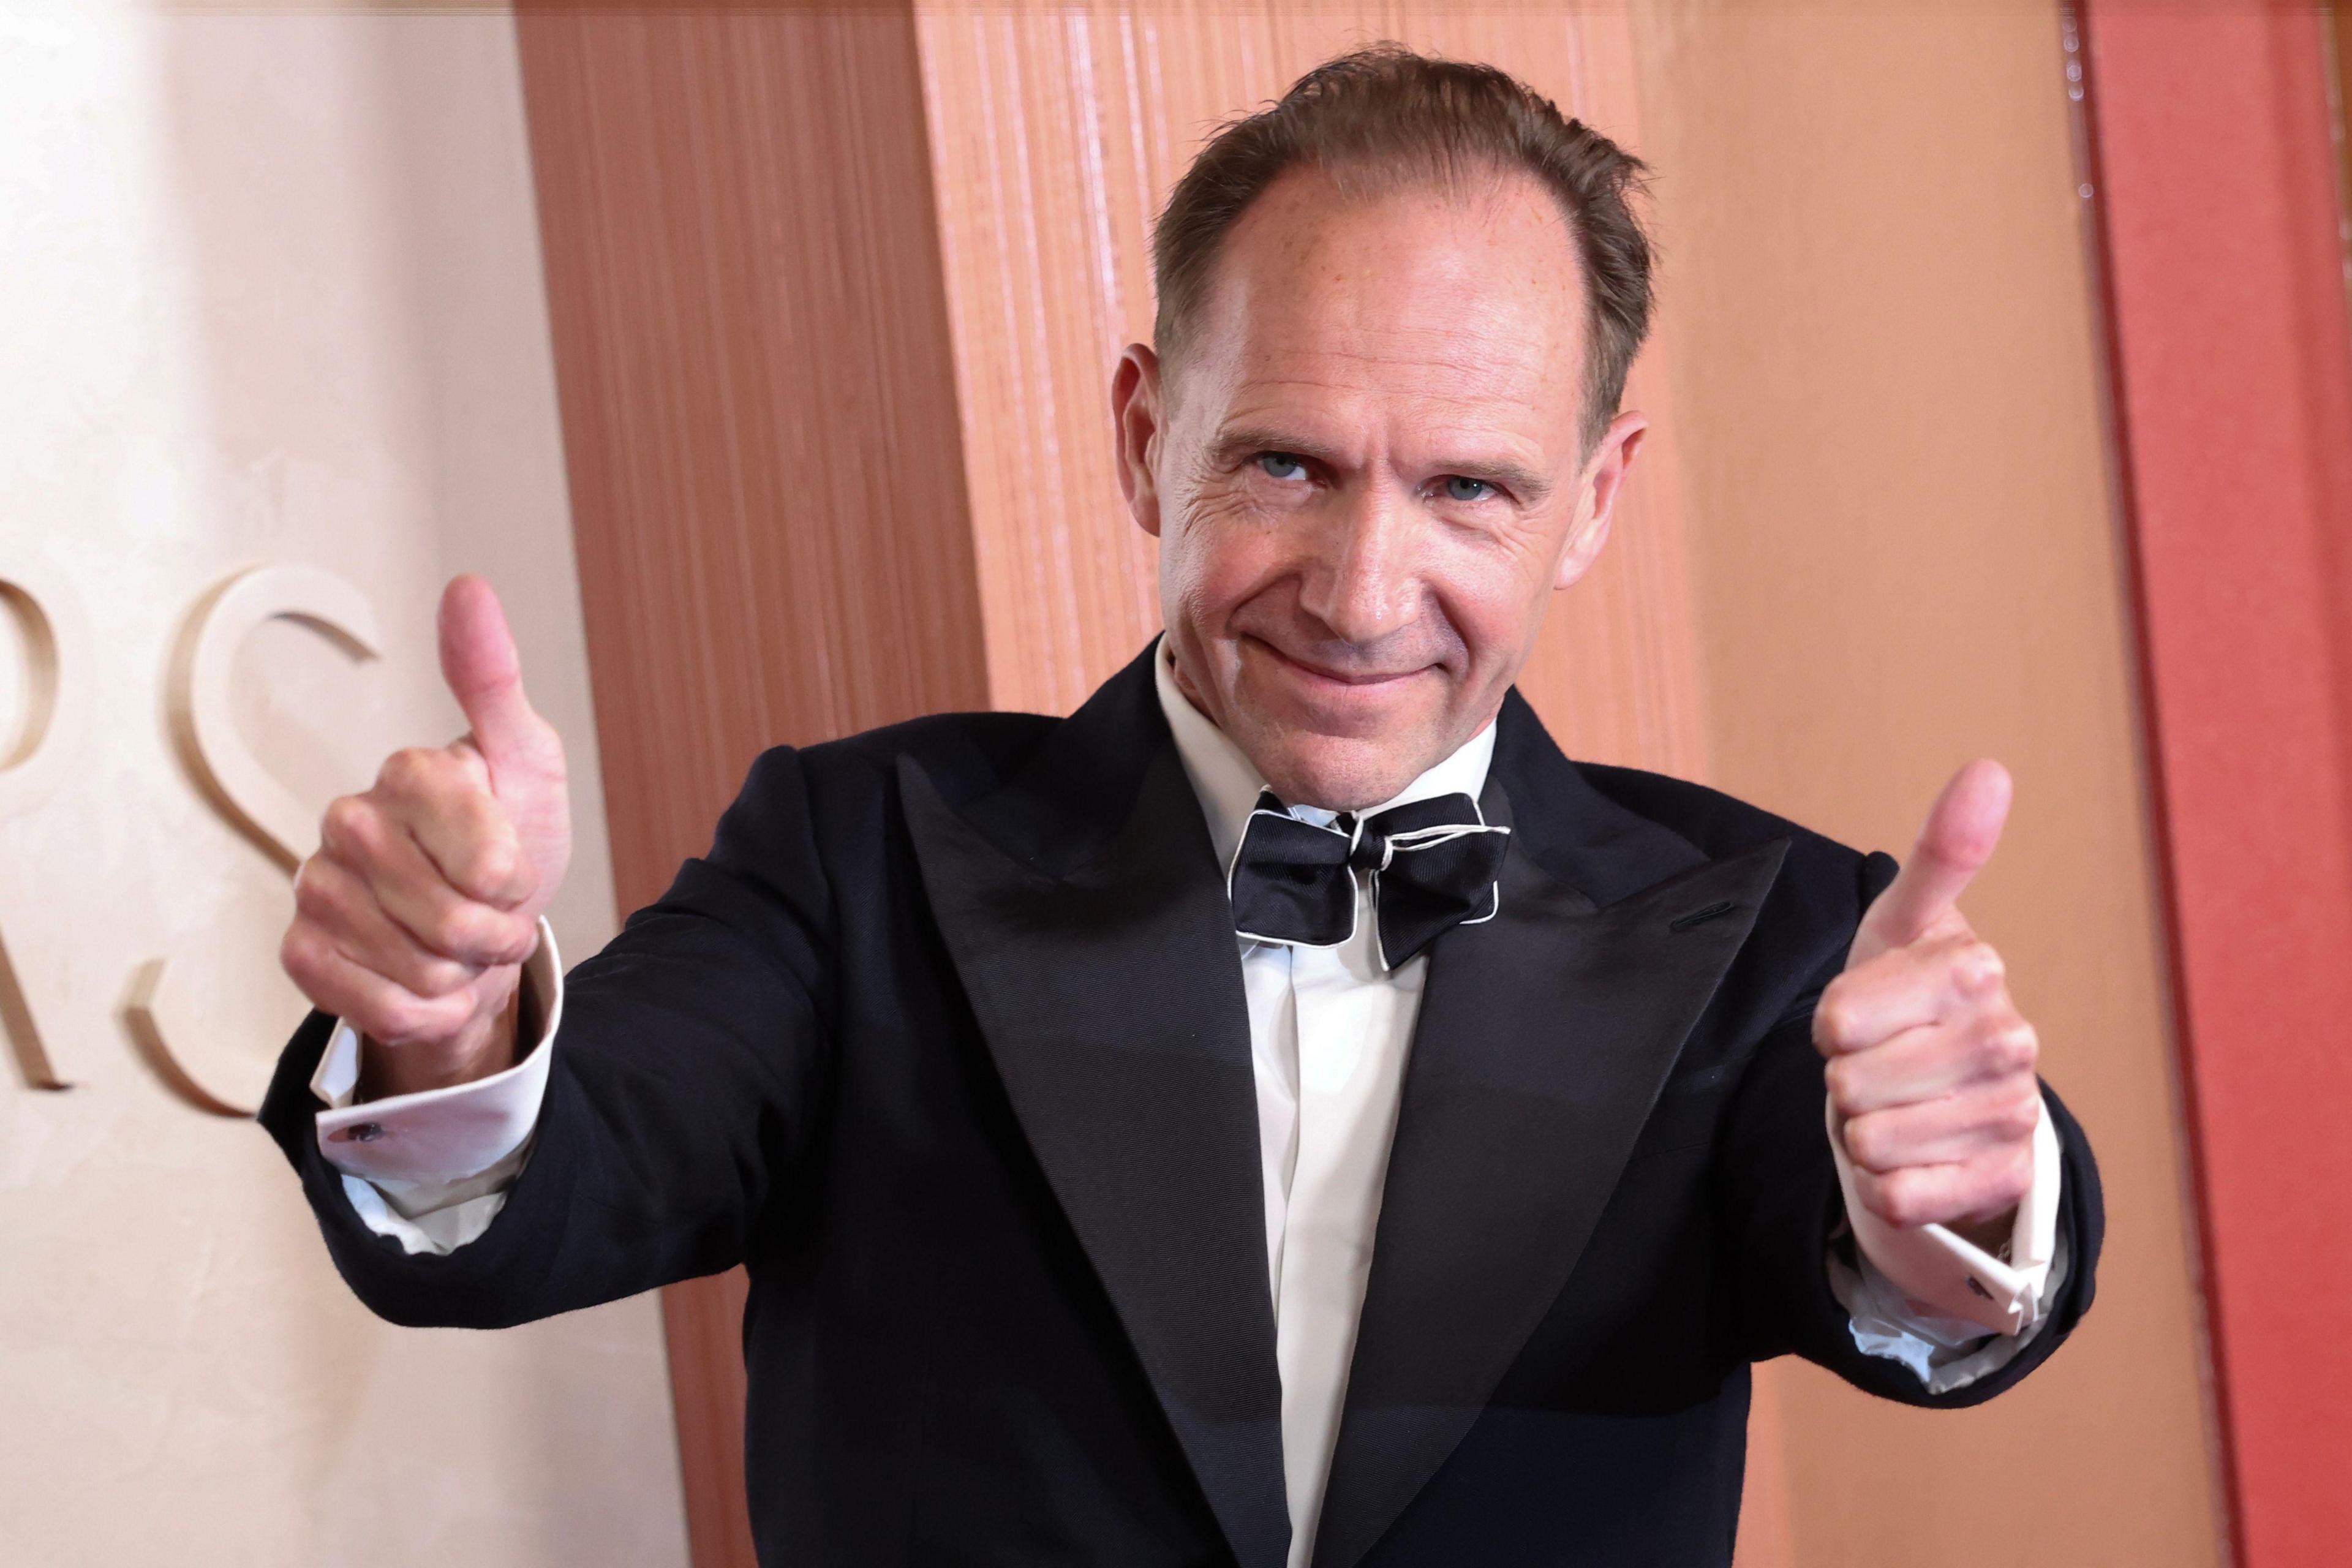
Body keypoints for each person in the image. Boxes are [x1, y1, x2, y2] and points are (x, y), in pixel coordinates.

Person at [263, 46, 2099, 1568]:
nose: (1365, 592)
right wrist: (455, 1036)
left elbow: (1925, 1286)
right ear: (1149, 437)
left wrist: (1965, 1196)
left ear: (1594, 502)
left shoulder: (1768, 926)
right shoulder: (859, 853)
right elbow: (566, 1172)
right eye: (1288, 462)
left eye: (1470, 489)